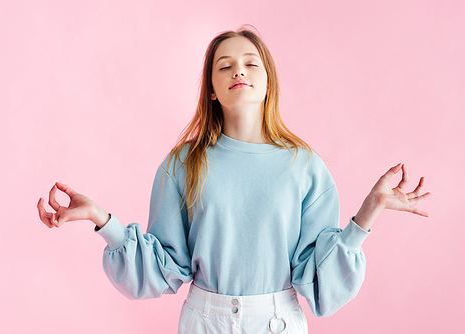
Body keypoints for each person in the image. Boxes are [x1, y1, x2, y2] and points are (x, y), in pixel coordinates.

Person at [37, 26, 430, 334]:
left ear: (268, 80)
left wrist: (368, 213)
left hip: (278, 322)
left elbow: (320, 284)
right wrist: (103, 221)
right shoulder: (182, 165)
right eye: (224, 65)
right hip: (204, 321)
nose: (238, 70)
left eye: (250, 62)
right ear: (211, 89)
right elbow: (163, 268)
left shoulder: (306, 166)